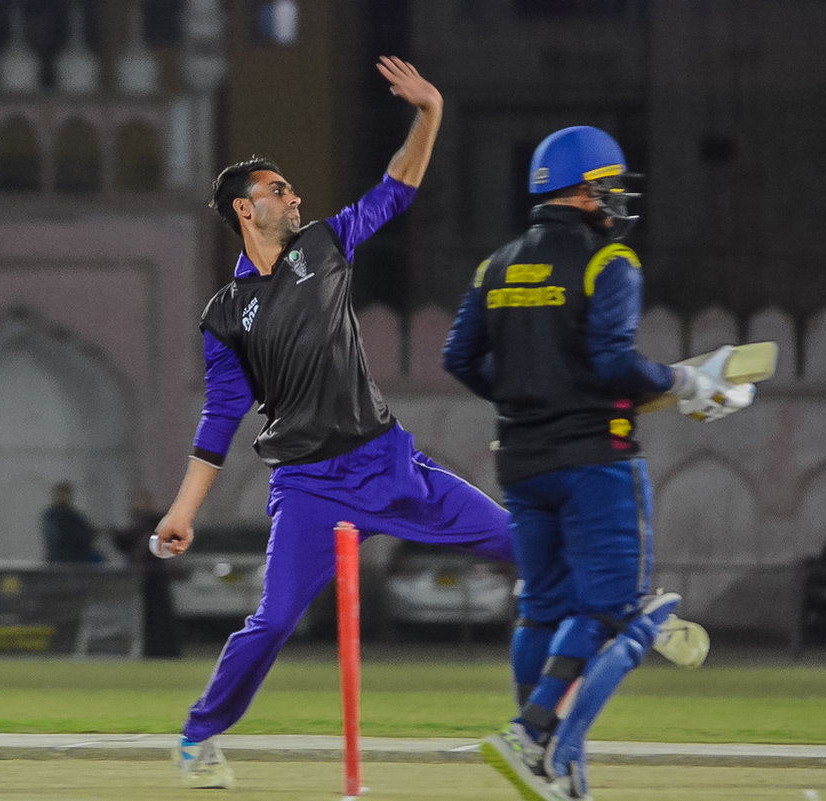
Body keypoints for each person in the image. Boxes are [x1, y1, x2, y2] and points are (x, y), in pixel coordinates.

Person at [151, 56, 520, 790]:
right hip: (310, 489)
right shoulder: (225, 315)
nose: (294, 196)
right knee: (273, 621)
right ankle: (197, 737)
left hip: (389, 464)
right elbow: (220, 418)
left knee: (523, 541)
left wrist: (429, 112)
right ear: (245, 210)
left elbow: (395, 190)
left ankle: (595, 653)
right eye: (278, 190)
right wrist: (182, 512)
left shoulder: (322, 247)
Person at [443, 126, 747, 800]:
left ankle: (547, 760)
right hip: (595, 457)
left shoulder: (495, 266)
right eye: (609, 186)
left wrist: (527, 397)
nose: (616, 199)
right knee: (617, 613)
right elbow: (612, 361)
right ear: (585, 192)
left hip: (522, 459)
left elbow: (458, 358)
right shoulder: (609, 261)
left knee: (540, 611)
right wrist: (684, 382)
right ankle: (535, 735)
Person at [112, 490, 182, 658]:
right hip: (142, 577)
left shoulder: (154, 523)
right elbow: (126, 544)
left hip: (155, 575)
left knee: (158, 616)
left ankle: (164, 651)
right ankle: (149, 650)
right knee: (144, 617)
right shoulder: (139, 526)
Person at [41, 482, 101, 564]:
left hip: (80, 560)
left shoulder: (75, 515)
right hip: (61, 561)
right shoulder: (52, 516)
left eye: (67, 493)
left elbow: (88, 532)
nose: (65, 497)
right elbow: (58, 537)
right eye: (62, 493)